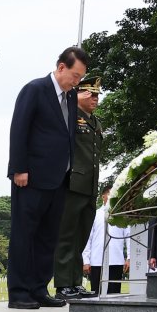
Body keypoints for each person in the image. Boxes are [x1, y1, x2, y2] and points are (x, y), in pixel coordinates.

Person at [7, 46, 88, 309]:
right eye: (75, 75)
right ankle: (19, 292)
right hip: (30, 177)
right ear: (61, 67)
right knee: (24, 235)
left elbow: (68, 136)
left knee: (48, 237)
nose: (76, 82)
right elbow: (19, 129)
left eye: (80, 77)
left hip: (60, 178)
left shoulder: (72, 97)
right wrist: (19, 168)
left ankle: (39, 288)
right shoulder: (35, 89)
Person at [54, 76, 104, 300]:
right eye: (90, 94)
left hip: (90, 186)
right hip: (73, 184)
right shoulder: (70, 115)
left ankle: (74, 282)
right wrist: (72, 99)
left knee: (80, 238)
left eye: (97, 95)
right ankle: (63, 284)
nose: (95, 98)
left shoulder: (95, 121)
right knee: (66, 236)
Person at [82, 187, 131, 294]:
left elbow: (128, 236)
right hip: (97, 261)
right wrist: (86, 260)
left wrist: (129, 257)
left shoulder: (122, 215)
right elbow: (88, 238)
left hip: (116, 261)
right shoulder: (95, 215)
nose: (111, 196)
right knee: (96, 293)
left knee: (114, 294)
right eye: (109, 194)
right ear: (103, 196)